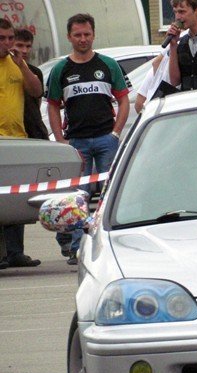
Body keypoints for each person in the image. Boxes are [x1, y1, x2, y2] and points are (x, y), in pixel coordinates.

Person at [46, 13, 129, 266]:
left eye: (87, 34)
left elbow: (124, 99)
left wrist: (116, 132)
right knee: (77, 196)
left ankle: (109, 244)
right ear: (69, 37)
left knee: (110, 193)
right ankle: (74, 247)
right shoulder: (61, 69)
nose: (83, 39)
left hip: (106, 139)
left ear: (93, 34)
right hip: (76, 143)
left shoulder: (108, 65)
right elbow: (52, 105)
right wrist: (61, 140)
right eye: (77, 35)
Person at [0, 18, 43, 270]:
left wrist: (22, 66)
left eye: (9, 38)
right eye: (2, 38)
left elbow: (36, 91)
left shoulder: (18, 64)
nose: (7, 43)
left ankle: (16, 252)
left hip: (16, 140)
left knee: (14, 200)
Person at [13, 28, 48, 140]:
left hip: (34, 130)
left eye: (28, 46)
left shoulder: (35, 72)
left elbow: (37, 100)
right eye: (20, 45)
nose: (24, 50)